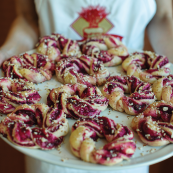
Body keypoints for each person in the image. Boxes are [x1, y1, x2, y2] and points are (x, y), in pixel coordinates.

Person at [0, 0, 173, 173]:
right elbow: (27, 17)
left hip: (128, 161)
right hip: (48, 157)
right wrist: (7, 53)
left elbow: (163, 16)